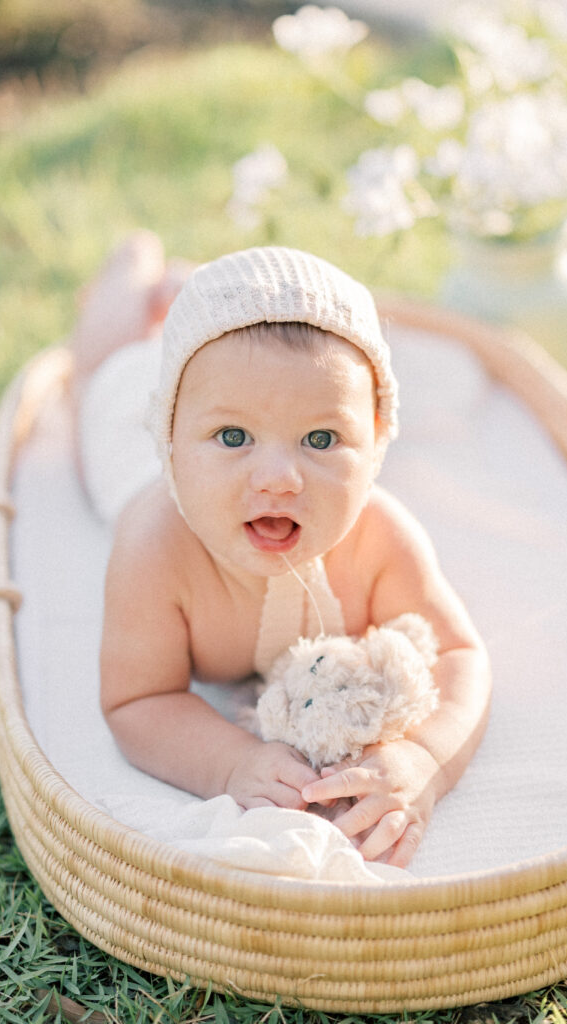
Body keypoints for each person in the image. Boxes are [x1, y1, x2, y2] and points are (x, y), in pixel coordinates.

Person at [71, 232, 491, 868]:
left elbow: (460, 653)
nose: (277, 478)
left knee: (228, 362)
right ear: (173, 444)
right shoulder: (156, 548)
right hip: (125, 435)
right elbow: (138, 700)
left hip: (212, 392)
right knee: (102, 371)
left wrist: (425, 757)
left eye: (321, 439)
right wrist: (231, 760)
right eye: (232, 436)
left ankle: (195, 297)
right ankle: (133, 276)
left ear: (376, 443)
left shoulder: (380, 537)